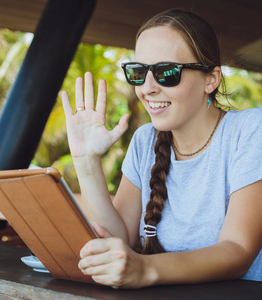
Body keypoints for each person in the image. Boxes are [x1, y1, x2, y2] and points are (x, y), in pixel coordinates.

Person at [61, 9, 262, 288]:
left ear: (211, 79)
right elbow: (118, 239)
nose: (147, 88)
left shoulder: (251, 131)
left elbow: (238, 249)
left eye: (166, 72)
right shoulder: (145, 140)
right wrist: (86, 162)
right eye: (139, 72)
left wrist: (145, 268)